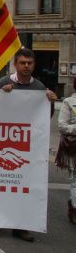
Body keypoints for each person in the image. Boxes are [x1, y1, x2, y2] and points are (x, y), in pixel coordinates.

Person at [0, 47, 57, 242]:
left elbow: (46, 117)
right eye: (22, 63)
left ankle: (21, 225)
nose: (26, 66)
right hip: (3, 143)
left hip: (26, 145)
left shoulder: (39, 87)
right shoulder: (4, 83)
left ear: (34, 65)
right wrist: (1, 95)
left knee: (24, 186)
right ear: (15, 64)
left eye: (29, 63)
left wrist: (50, 102)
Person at [57, 78, 76, 225]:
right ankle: (74, 208)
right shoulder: (68, 102)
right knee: (75, 180)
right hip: (74, 147)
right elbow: (62, 126)